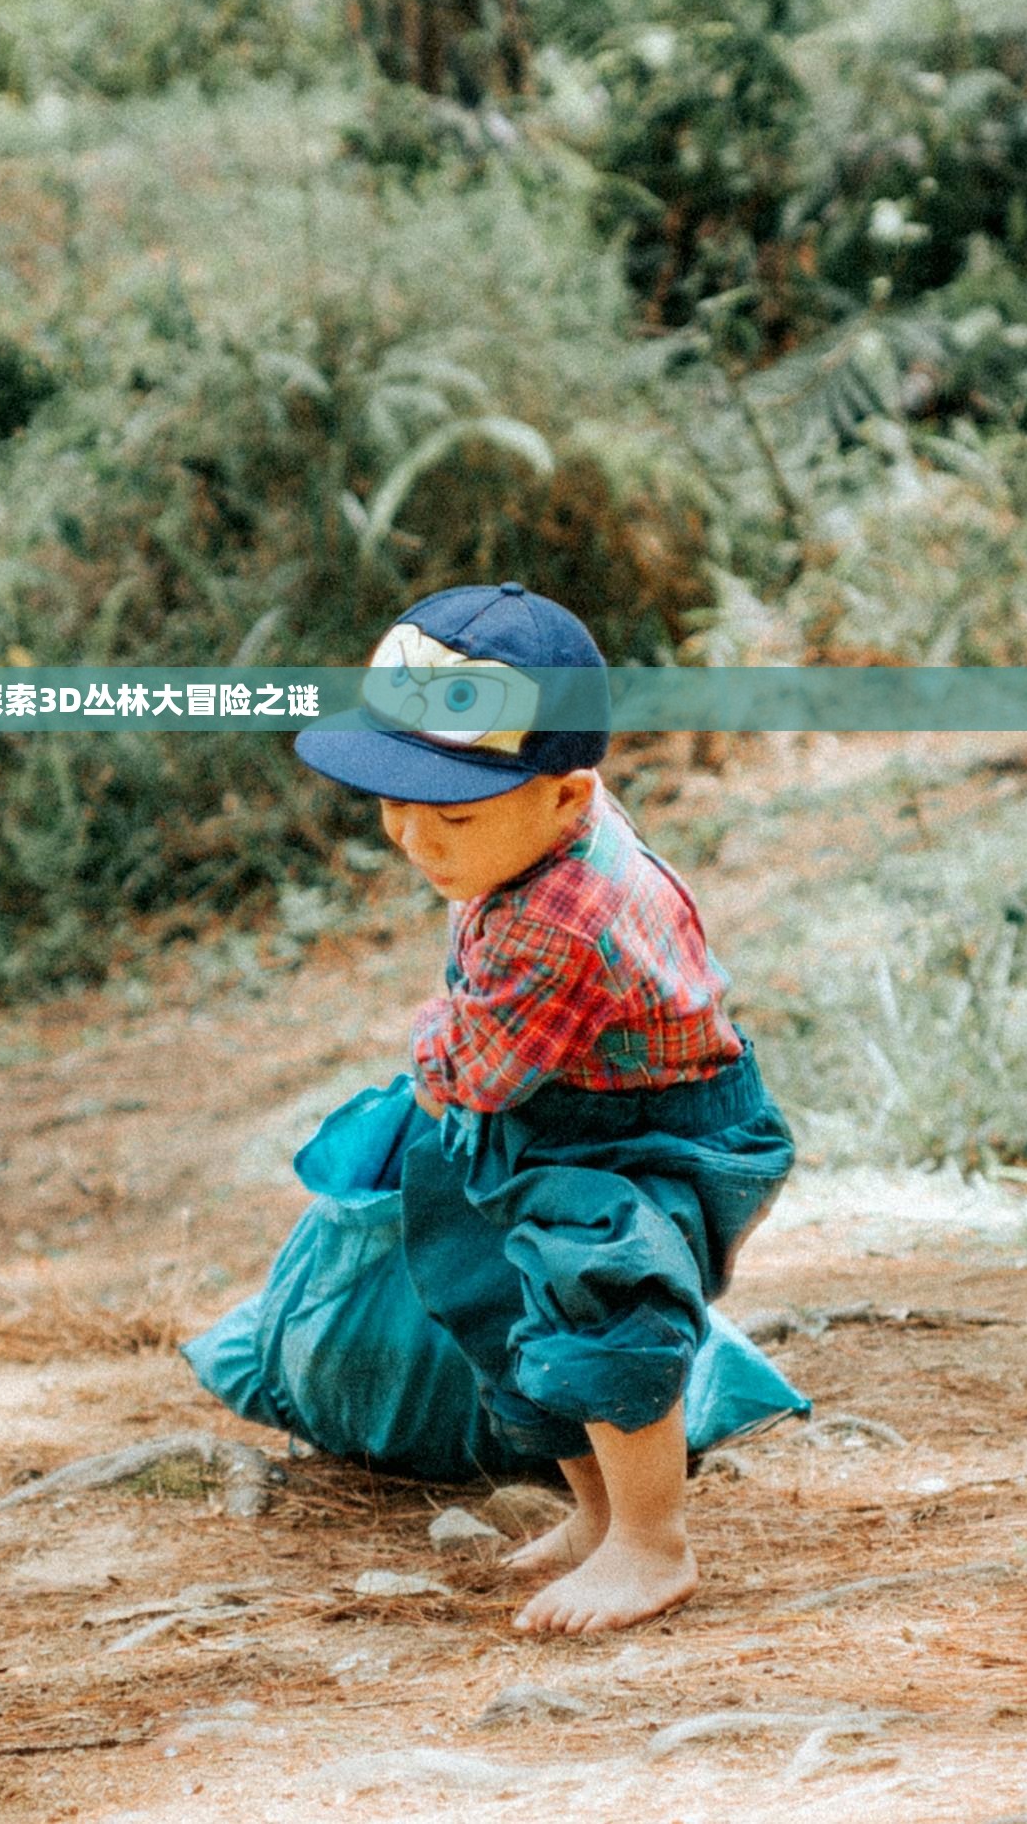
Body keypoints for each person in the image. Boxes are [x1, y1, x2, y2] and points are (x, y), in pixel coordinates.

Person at [292, 583, 795, 1635]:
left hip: (644, 1131)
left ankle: (653, 1545)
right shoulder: (534, 831)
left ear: (568, 800)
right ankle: (600, 1515)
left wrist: (428, 1035)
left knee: (602, 1296)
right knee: (495, 1294)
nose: (415, 840)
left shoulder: (560, 922)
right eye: (393, 805)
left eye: (453, 815)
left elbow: (470, 1071)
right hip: (551, 1108)